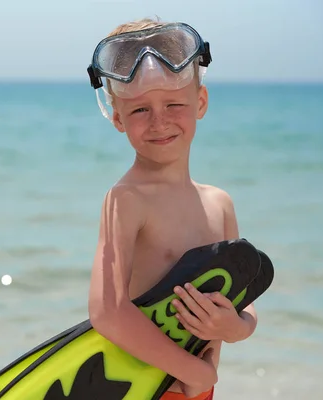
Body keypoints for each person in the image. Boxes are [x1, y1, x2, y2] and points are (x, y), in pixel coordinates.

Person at [86, 17, 258, 400]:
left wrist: (237, 328)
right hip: (143, 387)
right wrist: (196, 371)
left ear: (200, 102)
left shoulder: (220, 204)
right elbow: (107, 311)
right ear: (117, 118)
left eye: (174, 104)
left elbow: (242, 303)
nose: (159, 121)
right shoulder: (127, 199)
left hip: (198, 389)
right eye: (139, 111)